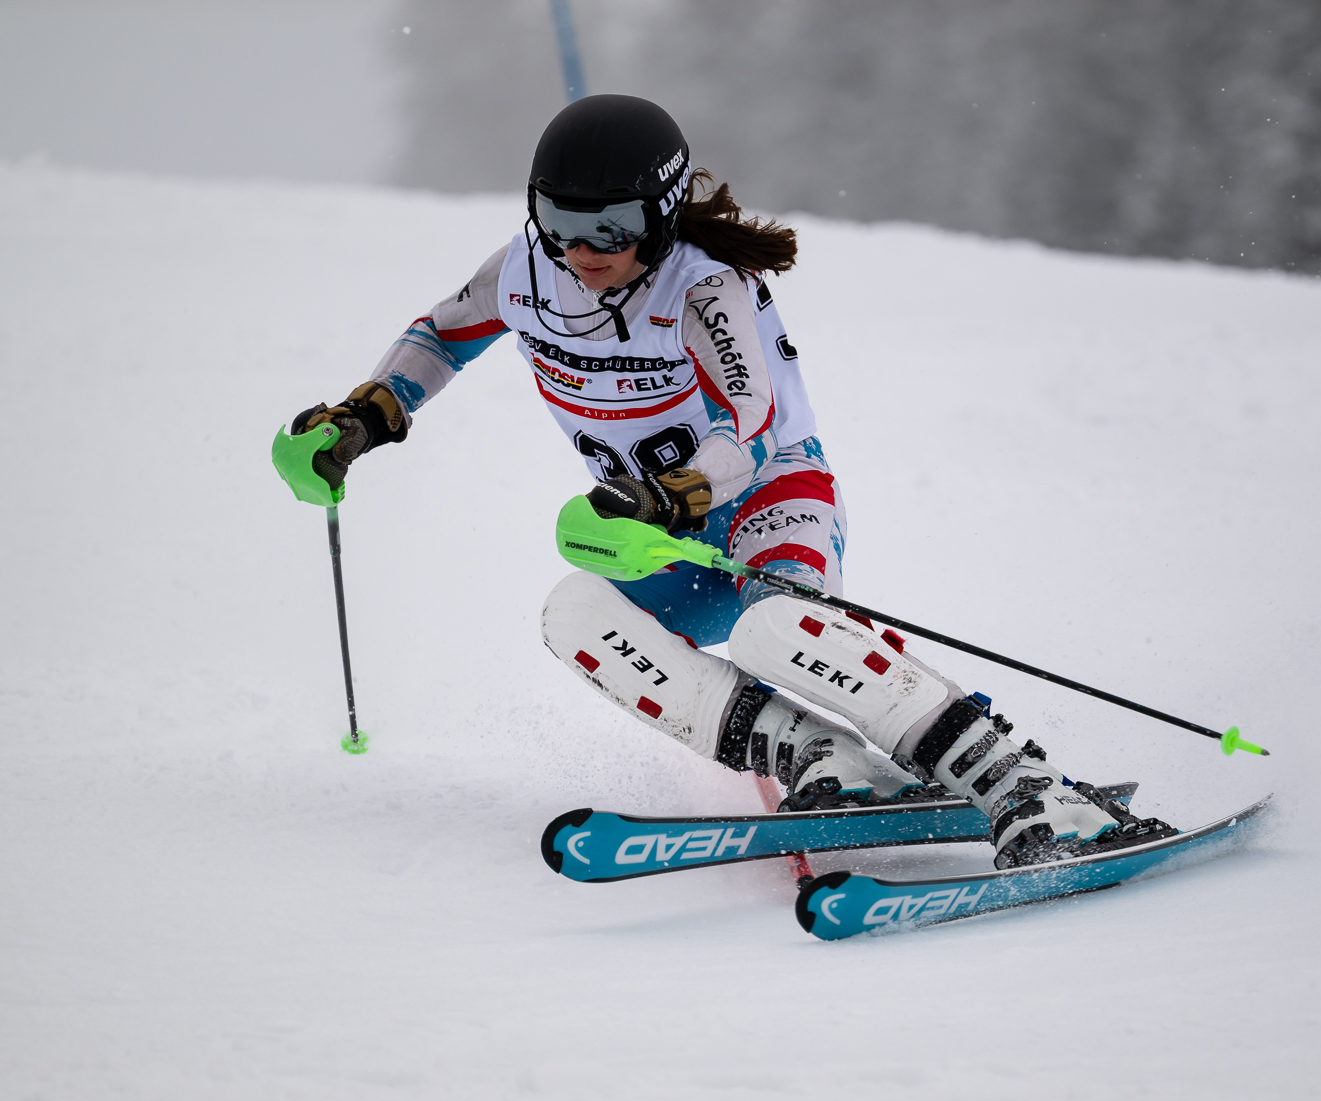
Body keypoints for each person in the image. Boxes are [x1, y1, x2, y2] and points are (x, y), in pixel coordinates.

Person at [286, 94, 1171, 868]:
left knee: (774, 626)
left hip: (769, 498)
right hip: (657, 532)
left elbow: (745, 423)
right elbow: (440, 336)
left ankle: (1029, 787)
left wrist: (674, 492)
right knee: (576, 612)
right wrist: (368, 415)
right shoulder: (523, 271)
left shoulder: (706, 289)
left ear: (662, 213)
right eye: (559, 220)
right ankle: (822, 759)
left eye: (613, 226)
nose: (583, 248)